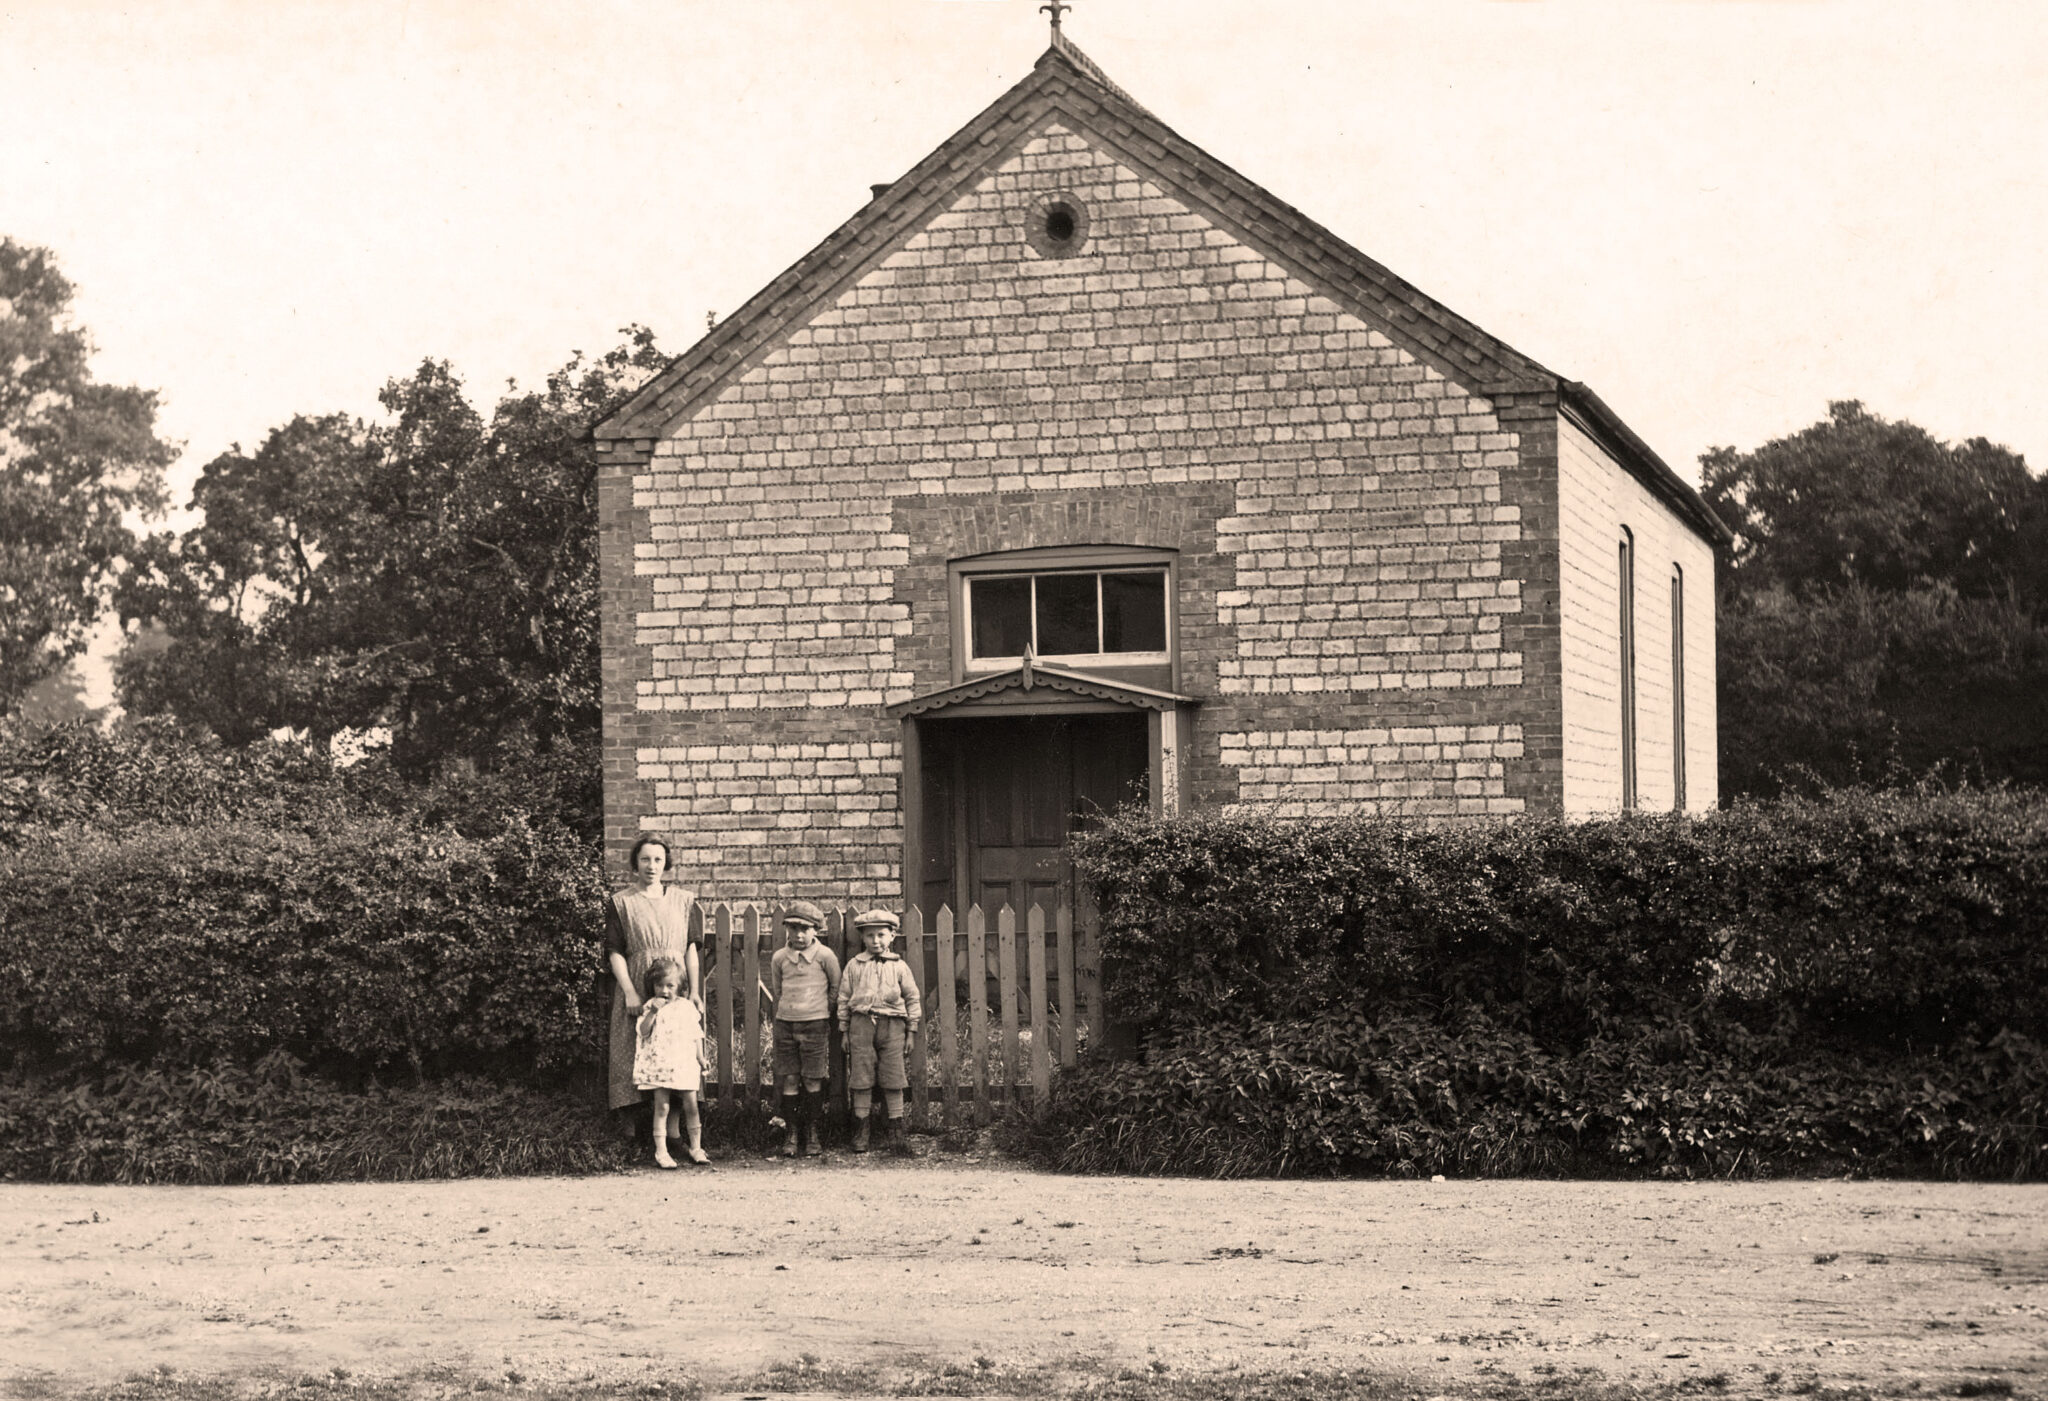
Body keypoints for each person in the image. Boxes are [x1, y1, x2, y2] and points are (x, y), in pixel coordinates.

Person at [604, 834, 707, 1161]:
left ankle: (674, 1134)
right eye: (645, 859)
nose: (652, 866)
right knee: (633, 1049)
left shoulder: (683, 900)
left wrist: (694, 991)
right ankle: (631, 1135)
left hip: (674, 989)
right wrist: (631, 992)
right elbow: (614, 952)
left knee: (676, 1053)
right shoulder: (622, 902)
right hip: (637, 984)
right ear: (635, 863)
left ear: (666, 863)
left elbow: (691, 950)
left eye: (658, 860)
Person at [837, 908, 920, 1155]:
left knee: (894, 1077)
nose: (876, 941)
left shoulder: (900, 966)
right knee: (860, 1077)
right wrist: (844, 1030)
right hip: (861, 1025)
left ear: (892, 936)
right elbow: (843, 998)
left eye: (881, 935)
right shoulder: (854, 965)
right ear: (862, 938)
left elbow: (912, 998)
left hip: (893, 1025)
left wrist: (911, 1030)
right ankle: (861, 1129)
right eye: (870, 935)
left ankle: (895, 1129)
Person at [768, 901, 842, 1158]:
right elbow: (778, 990)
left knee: (812, 1078)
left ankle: (812, 1132)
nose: (799, 935)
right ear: (786, 929)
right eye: (794, 928)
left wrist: (821, 1012)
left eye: (805, 929)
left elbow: (835, 987)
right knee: (789, 1077)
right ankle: (792, 1133)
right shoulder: (779, 958)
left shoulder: (825, 957)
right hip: (786, 1023)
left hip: (815, 1023)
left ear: (816, 930)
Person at [632, 957, 706, 1168]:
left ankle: (696, 1147)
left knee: (691, 1105)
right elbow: (643, 1032)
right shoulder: (650, 1007)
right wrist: (653, 1012)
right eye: (659, 985)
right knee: (662, 1107)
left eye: (670, 985)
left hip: (683, 1062)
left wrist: (700, 1057)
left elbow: (696, 1033)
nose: (664, 990)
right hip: (661, 1064)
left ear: (680, 986)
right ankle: (661, 1151)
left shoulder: (686, 1007)